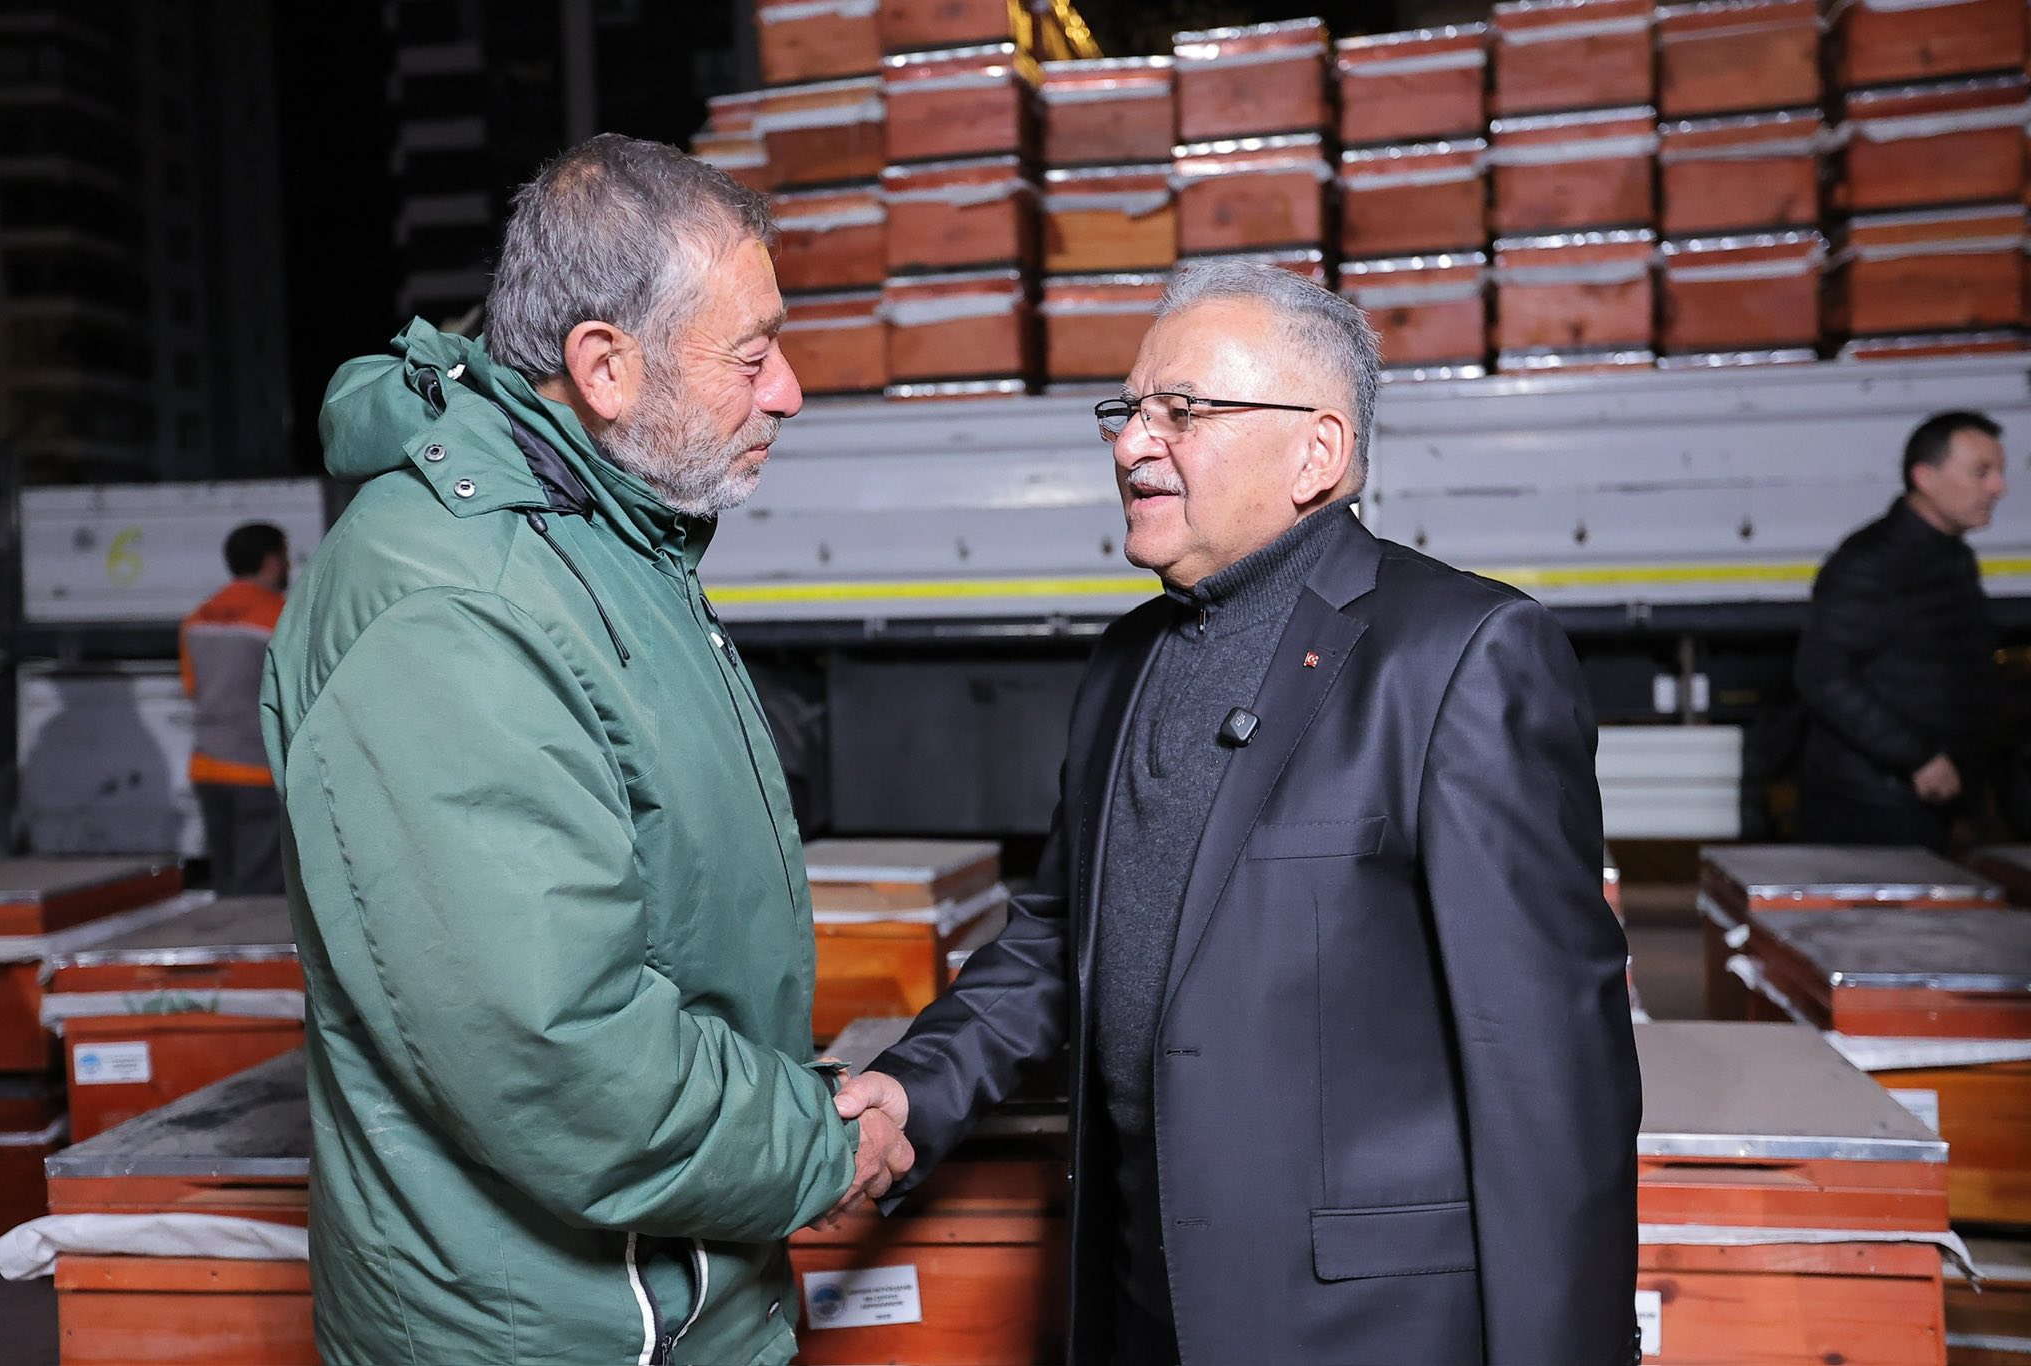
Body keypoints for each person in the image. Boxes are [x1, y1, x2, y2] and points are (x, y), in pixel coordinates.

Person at [835, 260, 1642, 1365]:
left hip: (1365, 1330)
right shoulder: (1124, 662)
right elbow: (1057, 942)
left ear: (1318, 453)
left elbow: (1548, 1074)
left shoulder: (1461, 656)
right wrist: (911, 1092)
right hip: (1145, 1308)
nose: (1132, 444)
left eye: (1183, 411)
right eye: (1127, 411)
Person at [260, 135, 910, 1365]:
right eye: (752, 355)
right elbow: (553, 1048)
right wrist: (818, 1144)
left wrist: (801, 1105)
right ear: (604, 366)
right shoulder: (453, 606)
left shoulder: (607, 540)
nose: (788, 391)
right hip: (556, 1333)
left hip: (671, 1295)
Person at [1795, 411, 2007, 852]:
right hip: (1872, 806)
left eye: (1999, 472)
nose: (1998, 487)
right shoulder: (1871, 562)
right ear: (1924, 477)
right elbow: (1822, 674)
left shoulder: (1952, 557)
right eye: (1981, 472)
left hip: (1926, 801)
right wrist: (1918, 756)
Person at [182, 522, 289, 896]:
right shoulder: (280, 616)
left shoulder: (198, 618)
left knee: (227, 889)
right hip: (258, 771)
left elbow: (193, 688)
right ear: (271, 561)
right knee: (261, 894)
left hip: (208, 769)